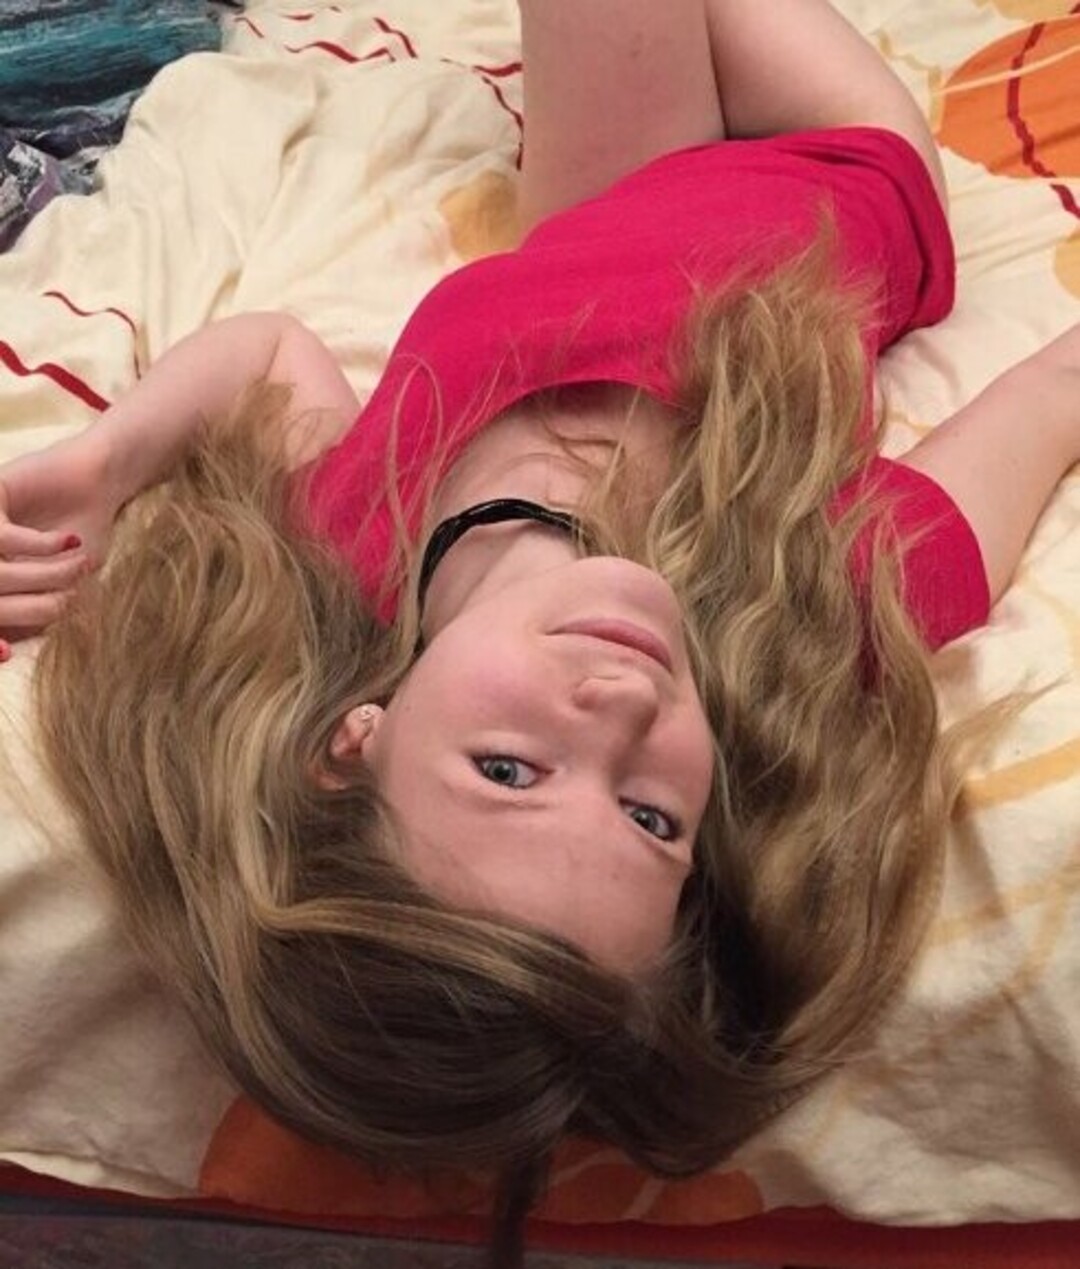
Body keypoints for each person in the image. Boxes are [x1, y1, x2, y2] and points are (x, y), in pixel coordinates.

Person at [1, 3, 1077, 1265]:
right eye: (652, 818)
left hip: (595, 198)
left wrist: (108, 461)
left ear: (353, 739)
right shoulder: (823, 601)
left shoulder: (360, 536)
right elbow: (1055, 393)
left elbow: (273, 353)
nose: (622, 711)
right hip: (831, 163)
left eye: (509, 772)